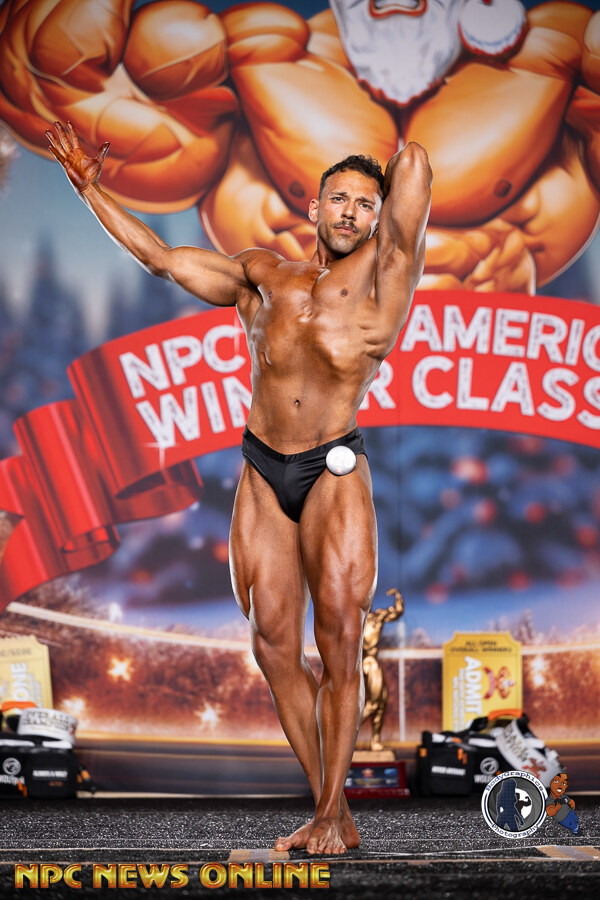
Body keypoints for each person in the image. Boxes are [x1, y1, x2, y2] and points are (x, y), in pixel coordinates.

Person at [46, 120, 432, 855]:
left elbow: (412, 164)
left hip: (333, 468)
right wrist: (90, 188)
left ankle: (330, 815)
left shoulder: (388, 274)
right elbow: (162, 259)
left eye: (365, 204)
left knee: (339, 638)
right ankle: (332, 811)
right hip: (262, 468)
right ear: (313, 207)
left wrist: (392, 165)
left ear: (379, 219)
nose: (349, 212)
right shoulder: (263, 276)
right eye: (338, 199)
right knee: (273, 644)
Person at [361, 587, 404, 751]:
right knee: (373, 704)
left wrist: (397, 597)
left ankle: (375, 741)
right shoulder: (354, 620)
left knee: (381, 702)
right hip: (366, 663)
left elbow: (397, 612)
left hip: (372, 662)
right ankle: (344, 736)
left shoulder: (377, 617)